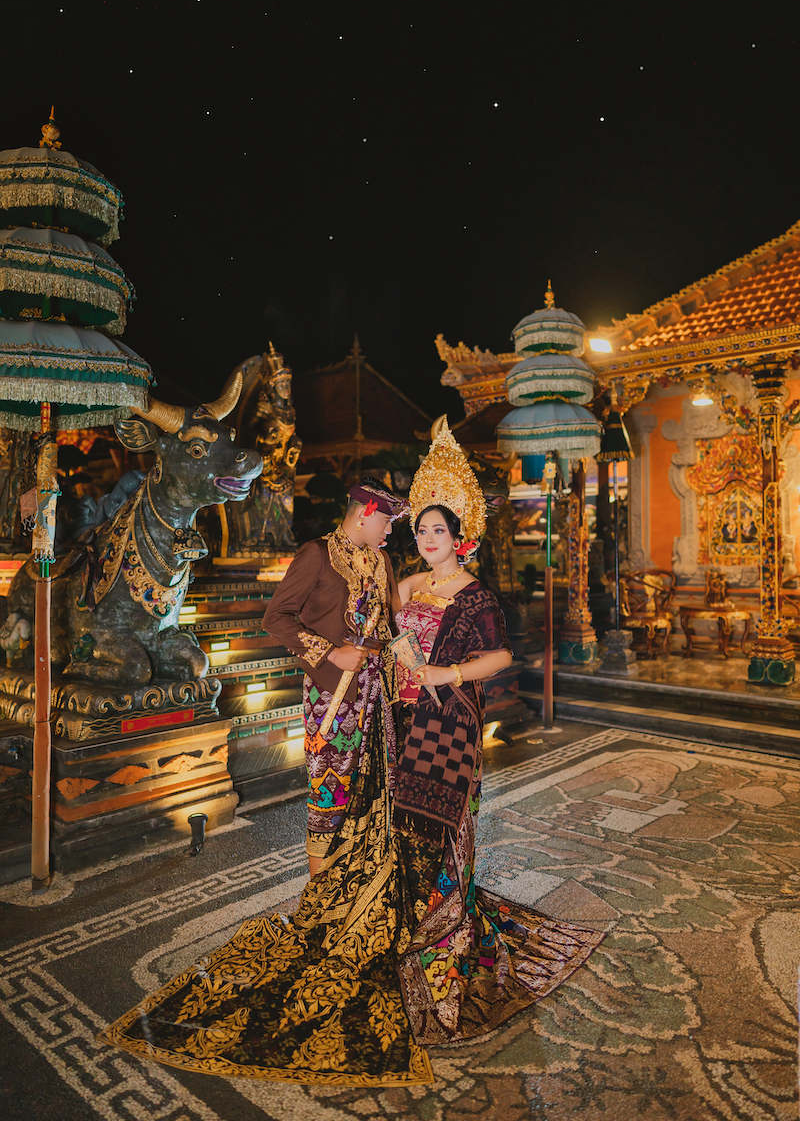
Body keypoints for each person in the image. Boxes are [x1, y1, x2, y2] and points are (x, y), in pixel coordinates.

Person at [101, 427, 603, 1085]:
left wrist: (434, 671)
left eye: (428, 530)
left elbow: (432, 643)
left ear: (459, 538)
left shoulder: (417, 578)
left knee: (398, 813)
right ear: (368, 514)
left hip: (405, 713)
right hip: (340, 704)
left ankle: (419, 908)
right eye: (402, 525)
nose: (405, 536)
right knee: (335, 799)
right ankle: (332, 896)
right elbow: (291, 620)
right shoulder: (326, 557)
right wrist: (331, 653)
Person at [260, 477, 408, 876]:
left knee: (380, 780)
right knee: (331, 783)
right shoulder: (317, 554)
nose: (389, 530)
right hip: (332, 693)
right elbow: (275, 619)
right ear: (364, 514)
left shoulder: (381, 561)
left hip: (379, 689)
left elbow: (395, 623)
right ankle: (320, 889)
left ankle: (365, 874)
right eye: (386, 521)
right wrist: (331, 652)